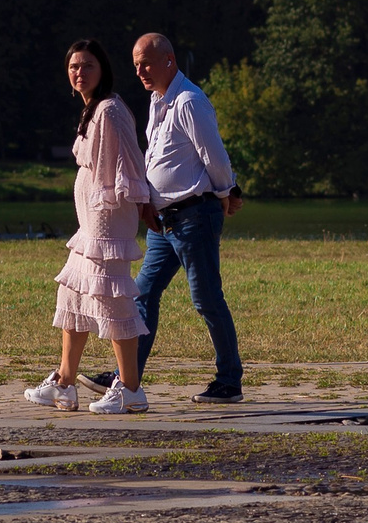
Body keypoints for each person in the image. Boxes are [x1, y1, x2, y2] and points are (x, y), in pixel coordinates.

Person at [24, 39, 152, 414]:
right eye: (74, 67)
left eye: (88, 66)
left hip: (108, 219)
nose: (80, 72)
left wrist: (140, 203)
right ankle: (64, 384)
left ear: (103, 70)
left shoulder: (110, 110)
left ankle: (130, 389)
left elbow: (131, 160)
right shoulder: (92, 110)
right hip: (90, 220)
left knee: (112, 301)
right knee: (74, 296)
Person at [131, 31, 246, 403]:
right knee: (142, 294)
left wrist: (227, 192)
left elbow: (213, 154)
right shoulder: (157, 101)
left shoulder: (189, 101)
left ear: (169, 60)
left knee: (207, 299)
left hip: (195, 215)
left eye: (146, 63)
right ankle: (126, 378)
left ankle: (229, 381)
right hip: (163, 223)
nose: (140, 71)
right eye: (136, 65)